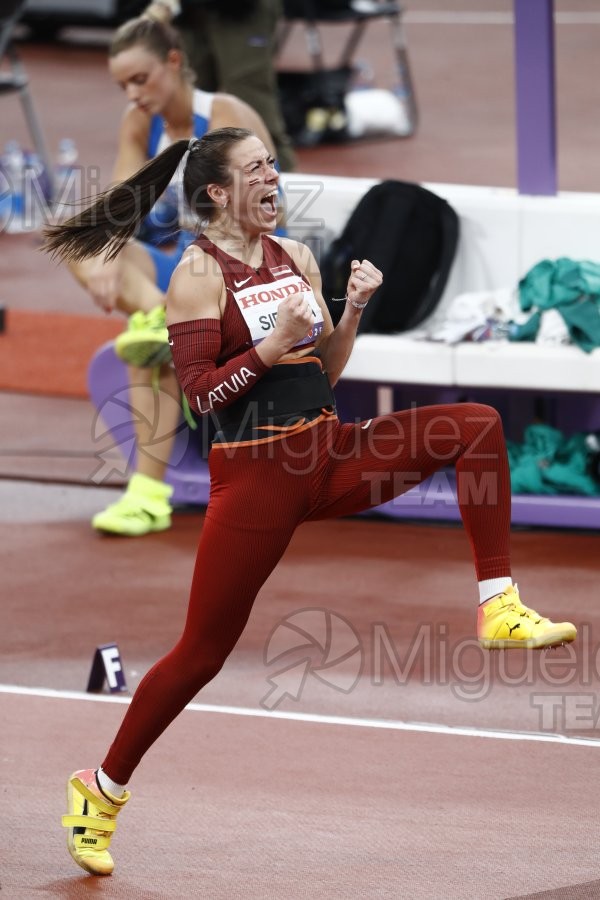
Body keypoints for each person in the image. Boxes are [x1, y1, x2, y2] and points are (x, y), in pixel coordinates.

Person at [42, 127, 577, 877]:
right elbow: (198, 395)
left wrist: (351, 311)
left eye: (272, 162)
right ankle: (98, 789)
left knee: (476, 426)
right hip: (255, 477)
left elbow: (321, 371)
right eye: (257, 166)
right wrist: (266, 347)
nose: (273, 174)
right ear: (219, 193)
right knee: (201, 654)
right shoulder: (198, 275)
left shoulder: (294, 257)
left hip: (325, 453)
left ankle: (498, 603)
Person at [66, 15, 281, 536]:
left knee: (163, 338)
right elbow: (116, 210)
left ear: (174, 63)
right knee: (79, 247)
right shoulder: (140, 122)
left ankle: (148, 496)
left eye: (141, 80)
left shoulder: (227, 115)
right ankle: (154, 318)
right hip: (181, 278)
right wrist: (108, 255)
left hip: (244, 275)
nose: (133, 94)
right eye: (123, 86)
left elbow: (264, 221)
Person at [142, 0, 297, 172]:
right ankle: (183, 187)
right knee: (187, 100)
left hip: (243, 9)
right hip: (189, 11)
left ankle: (281, 184)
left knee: (251, 101)